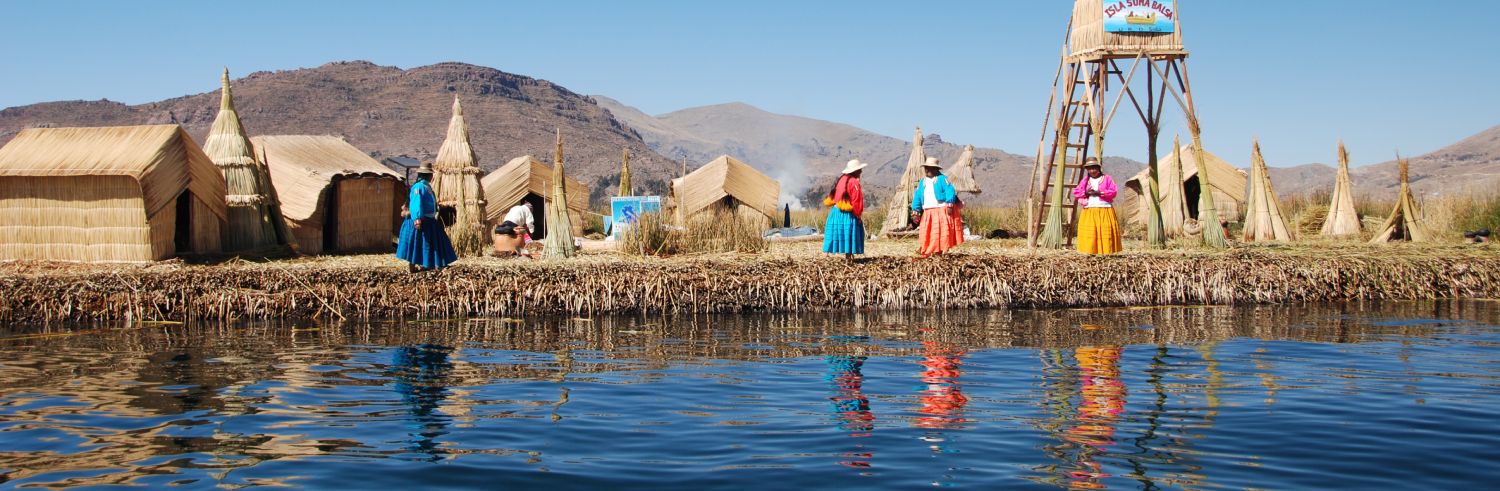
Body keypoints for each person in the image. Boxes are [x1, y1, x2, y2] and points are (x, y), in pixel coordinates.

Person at [396, 162, 458, 272]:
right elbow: (416, 204)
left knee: (435, 242)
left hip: (429, 220)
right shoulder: (418, 187)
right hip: (421, 220)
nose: (432, 177)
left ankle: (434, 264)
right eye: (431, 175)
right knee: (416, 244)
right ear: (428, 176)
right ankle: (412, 267)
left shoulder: (426, 187)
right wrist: (417, 220)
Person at [912, 157, 964, 258]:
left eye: (932, 168)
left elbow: (950, 191)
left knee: (939, 232)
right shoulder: (922, 182)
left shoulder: (942, 179)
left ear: (937, 169)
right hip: (928, 212)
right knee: (926, 233)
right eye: (927, 168)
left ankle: (938, 252)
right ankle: (927, 251)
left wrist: (950, 204)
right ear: (925, 169)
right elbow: (917, 197)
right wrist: (915, 212)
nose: (929, 170)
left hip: (940, 210)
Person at [1072, 158, 1122, 255]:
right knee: (1090, 232)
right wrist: (1086, 193)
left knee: (1104, 231)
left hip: (1105, 209)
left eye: (1094, 168)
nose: (1092, 171)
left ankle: (1106, 252)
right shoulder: (1085, 180)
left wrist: (1099, 193)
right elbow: (1077, 192)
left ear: (1098, 168)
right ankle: (1089, 251)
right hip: (1089, 210)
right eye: (1089, 169)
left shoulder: (1107, 179)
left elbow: (1113, 191)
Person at [823, 159, 867, 263]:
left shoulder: (841, 179)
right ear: (854, 171)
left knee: (833, 233)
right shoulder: (854, 182)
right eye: (859, 170)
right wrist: (858, 216)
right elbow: (856, 200)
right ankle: (848, 258)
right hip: (848, 214)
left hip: (836, 212)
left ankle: (825, 255)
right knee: (849, 234)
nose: (861, 172)